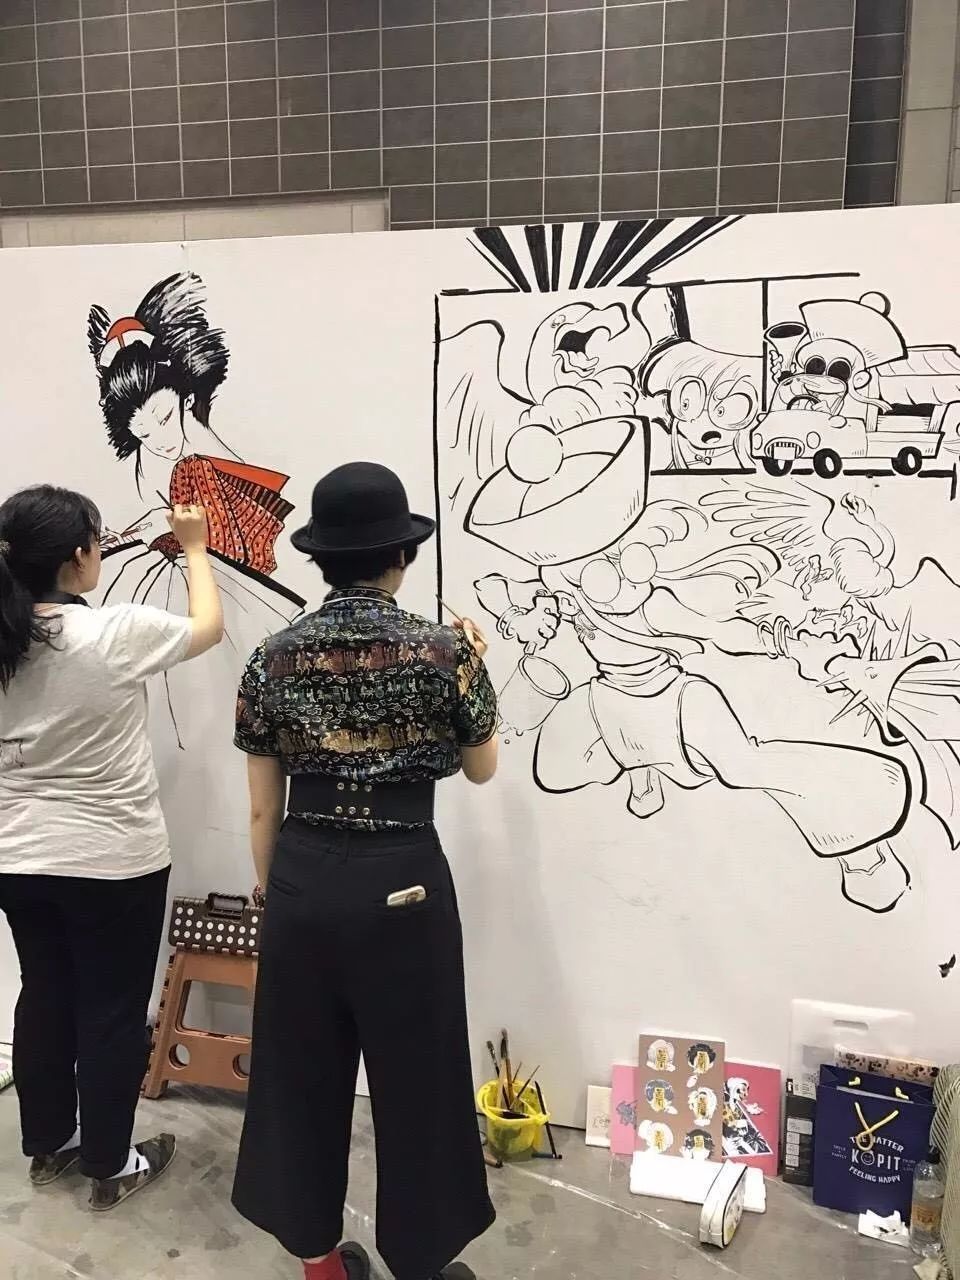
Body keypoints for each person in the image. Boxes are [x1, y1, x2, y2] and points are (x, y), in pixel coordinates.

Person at [231, 462, 500, 1280]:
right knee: (420, 1082)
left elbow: (261, 810)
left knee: (299, 1078)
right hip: (404, 876)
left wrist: (278, 897)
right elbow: (482, 768)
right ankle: (419, 1263)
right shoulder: (446, 651)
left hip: (303, 877)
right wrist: (475, 666)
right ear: (402, 557)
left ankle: (319, 1264)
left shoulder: (270, 658)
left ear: (320, 560)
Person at [0, 485, 224, 1211]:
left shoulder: (6, 638)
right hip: (111, 859)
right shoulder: (113, 632)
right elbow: (208, 626)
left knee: (45, 995)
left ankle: (48, 1147)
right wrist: (195, 547)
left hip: (16, 857)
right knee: (111, 1010)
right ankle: (109, 1163)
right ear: (78, 557)